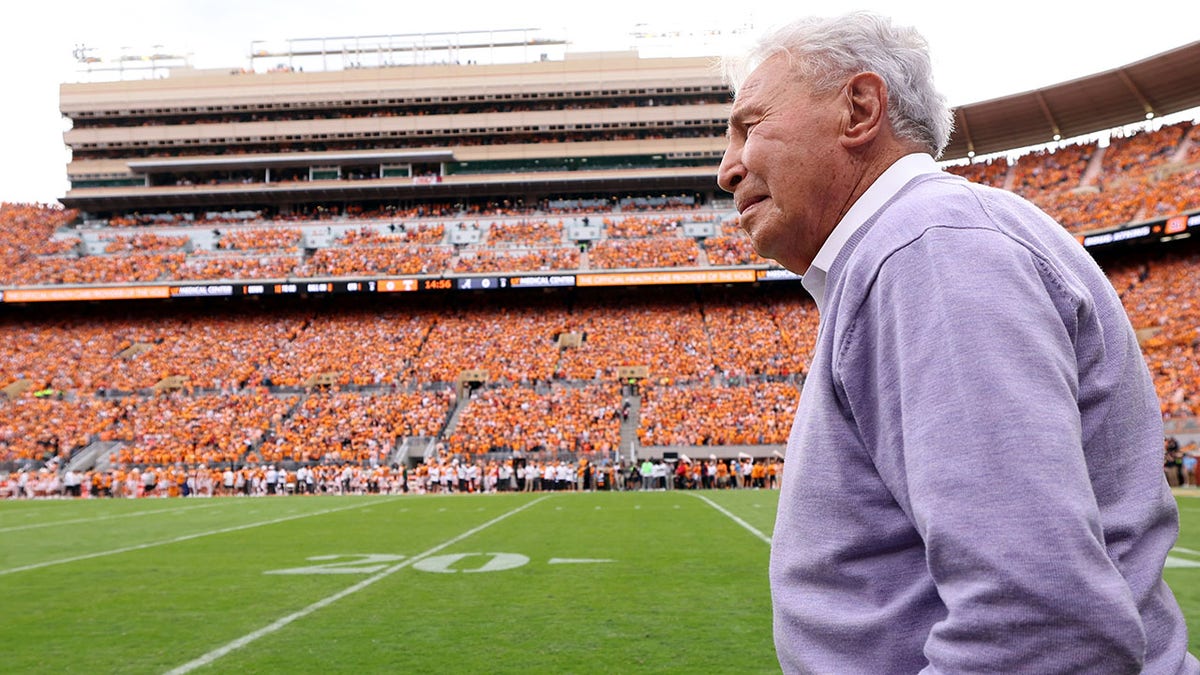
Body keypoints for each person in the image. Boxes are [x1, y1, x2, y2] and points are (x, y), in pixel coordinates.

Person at [717, 11, 1197, 673]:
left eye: (750, 125)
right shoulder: (917, 243)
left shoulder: (925, 244)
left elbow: (1037, 625)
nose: (727, 168)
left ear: (859, 108)